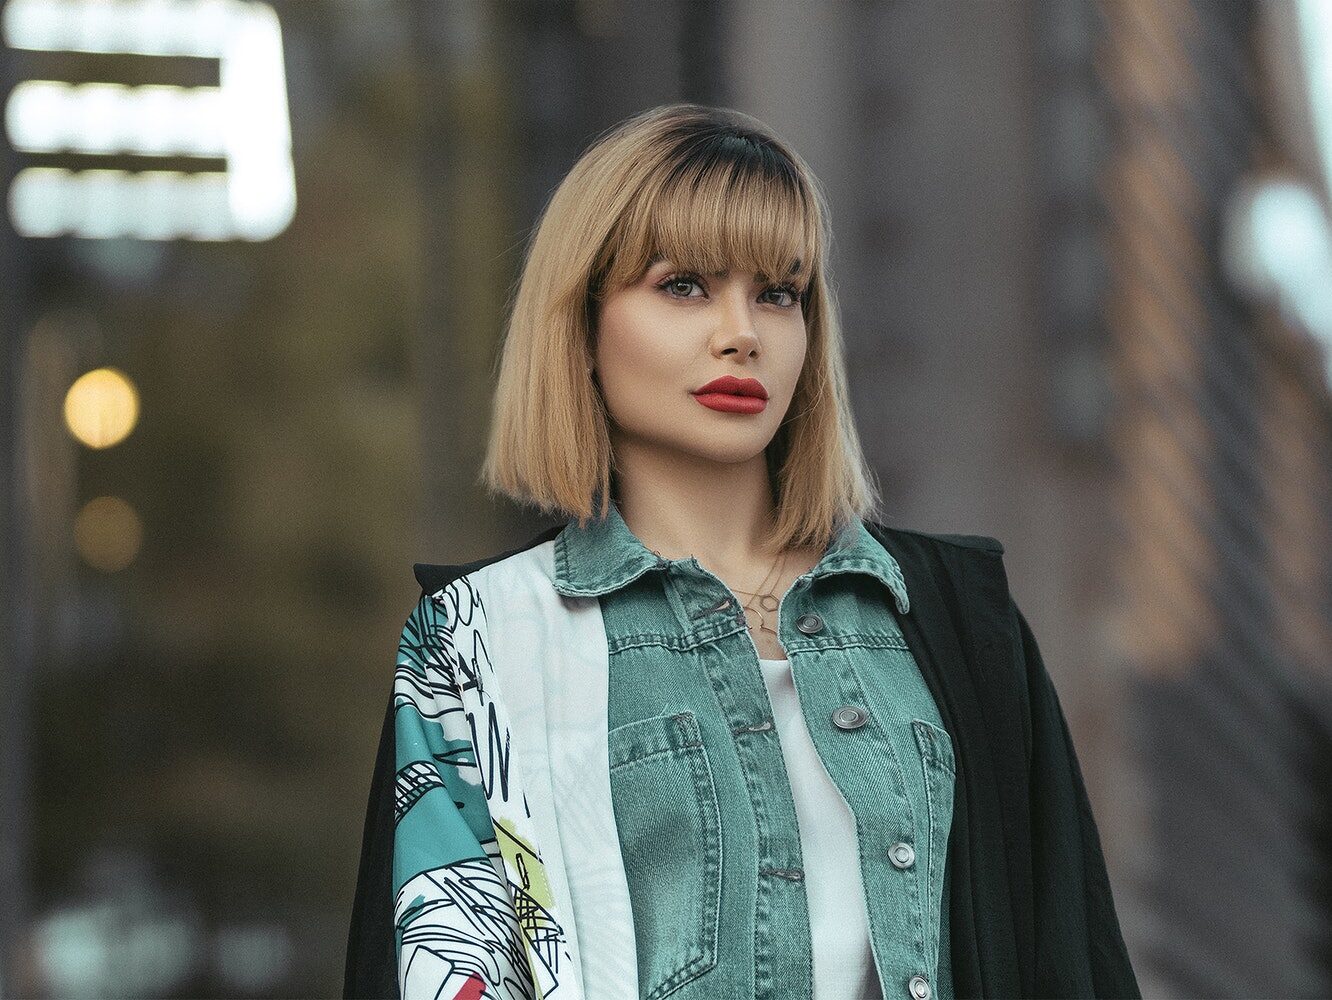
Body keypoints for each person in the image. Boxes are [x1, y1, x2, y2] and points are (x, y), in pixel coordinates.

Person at [344, 103, 1142, 1000]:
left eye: (778, 293)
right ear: (583, 324)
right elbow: (446, 966)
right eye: (685, 285)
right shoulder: (479, 640)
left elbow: (1068, 956)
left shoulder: (957, 615)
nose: (743, 333)